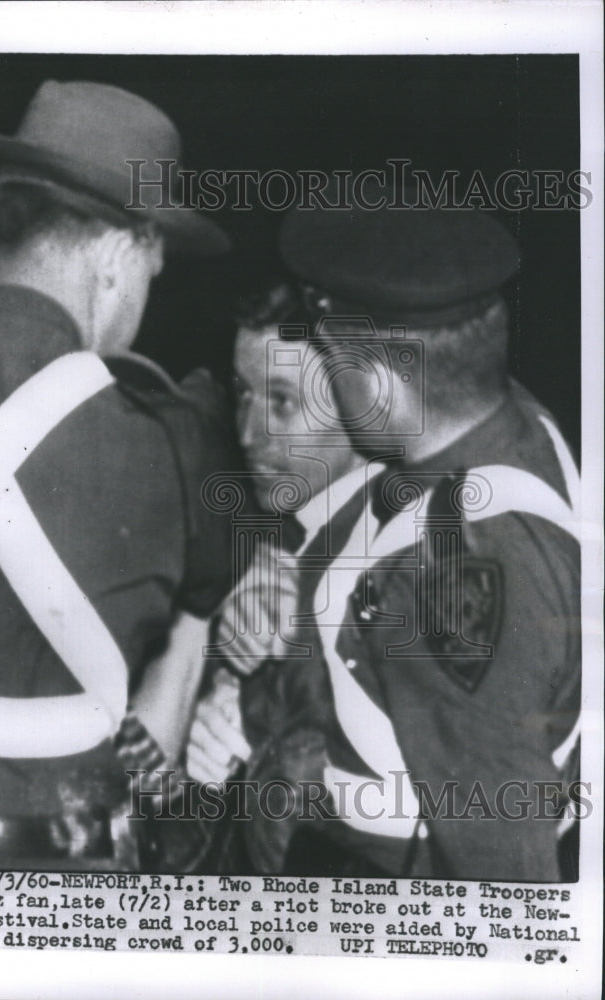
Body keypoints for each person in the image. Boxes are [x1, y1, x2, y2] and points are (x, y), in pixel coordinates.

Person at [0, 80, 235, 869]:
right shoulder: (176, 442)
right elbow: (186, 657)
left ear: (0, 209)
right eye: (149, 269)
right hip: (58, 902)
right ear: (114, 255)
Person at [269, 204, 581, 881]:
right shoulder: (526, 427)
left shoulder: (449, 571)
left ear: (379, 384)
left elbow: (505, 885)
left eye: (331, 360)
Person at [146, 283, 377, 874]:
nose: (250, 434)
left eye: (282, 404)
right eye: (243, 394)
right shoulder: (277, 527)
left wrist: (258, 731)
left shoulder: (409, 548)